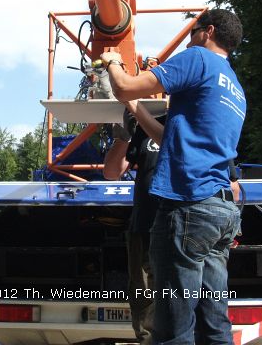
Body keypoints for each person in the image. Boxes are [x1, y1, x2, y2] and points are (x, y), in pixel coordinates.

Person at [100, 9, 246, 345]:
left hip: (188, 207)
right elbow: (170, 139)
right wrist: (137, 108)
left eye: (193, 31)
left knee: (170, 328)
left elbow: (122, 87)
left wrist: (111, 60)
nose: (190, 37)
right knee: (213, 323)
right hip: (220, 211)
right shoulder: (234, 86)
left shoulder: (197, 58)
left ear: (207, 31)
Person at [104, 106, 165, 345]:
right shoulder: (145, 124)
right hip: (143, 224)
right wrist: (123, 137)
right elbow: (111, 172)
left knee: (176, 296)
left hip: (180, 225)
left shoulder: (190, 120)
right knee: (142, 297)